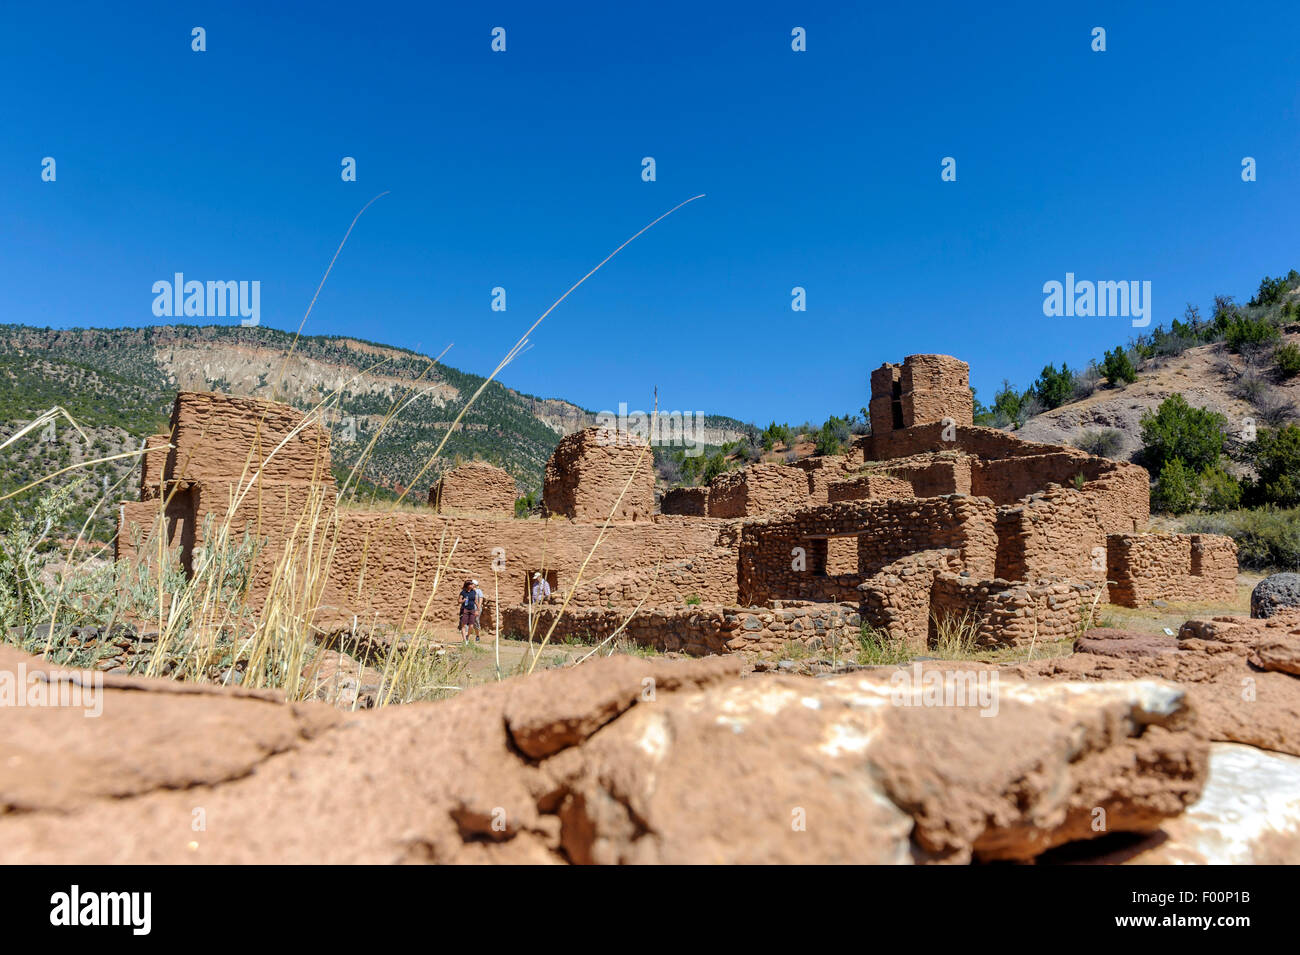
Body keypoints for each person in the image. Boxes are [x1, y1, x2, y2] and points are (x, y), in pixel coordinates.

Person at [458, 579, 478, 644]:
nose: (473, 585)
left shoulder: (474, 592)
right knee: (463, 625)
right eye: (472, 584)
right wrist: (463, 600)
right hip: (465, 610)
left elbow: (475, 601)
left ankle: (467, 636)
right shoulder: (463, 592)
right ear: (468, 585)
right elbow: (459, 601)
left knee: (471, 625)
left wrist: (477, 609)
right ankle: (464, 641)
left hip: (472, 609)